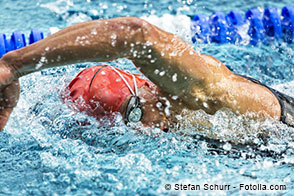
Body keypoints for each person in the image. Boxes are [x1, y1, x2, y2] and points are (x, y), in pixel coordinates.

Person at [0, 17, 293, 131]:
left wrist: (13, 65)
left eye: (135, 111)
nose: (141, 128)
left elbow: (135, 34)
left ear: (147, 84)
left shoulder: (208, 92)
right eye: (126, 123)